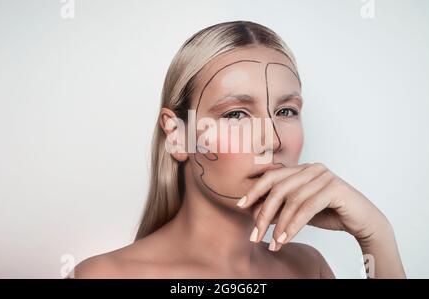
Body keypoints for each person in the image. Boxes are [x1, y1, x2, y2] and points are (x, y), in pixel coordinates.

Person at [74, 20, 406, 279]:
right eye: (236, 114)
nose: (273, 140)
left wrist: (376, 234)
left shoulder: (309, 267)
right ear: (176, 135)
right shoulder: (103, 275)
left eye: (286, 111)